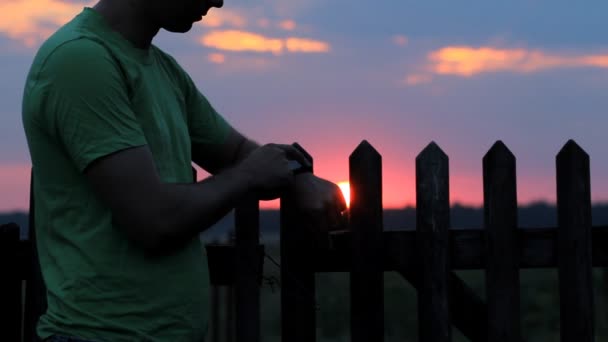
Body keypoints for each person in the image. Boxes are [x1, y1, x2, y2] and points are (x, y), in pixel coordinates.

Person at [21, 0, 346, 340]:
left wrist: (299, 179)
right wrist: (248, 176)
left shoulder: (163, 69)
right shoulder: (81, 60)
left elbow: (235, 152)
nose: (219, 1)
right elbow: (153, 220)